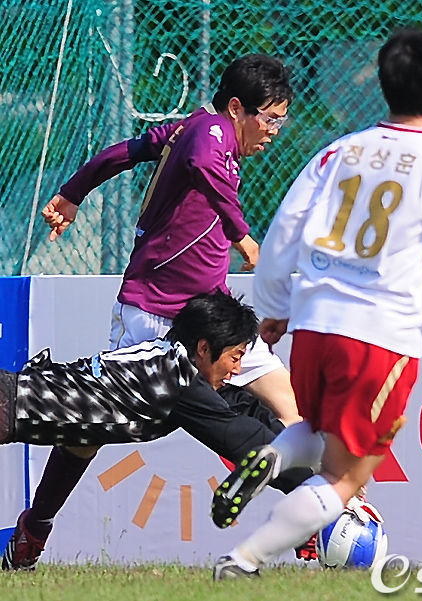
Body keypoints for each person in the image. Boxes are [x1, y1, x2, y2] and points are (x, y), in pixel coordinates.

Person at [210, 28, 422, 579]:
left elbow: (284, 231)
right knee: (345, 476)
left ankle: (270, 457)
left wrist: (275, 307)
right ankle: (243, 559)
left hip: (315, 326)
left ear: (382, 85)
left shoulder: (339, 152)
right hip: (378, 336)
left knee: (317, 431)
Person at [15, 54, 304, 569]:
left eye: (281, 120)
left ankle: (323, 517)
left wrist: (73, 193)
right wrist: (243, 237)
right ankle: (35, 528)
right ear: (237, 108)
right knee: (88, 432)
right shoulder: (209, 133)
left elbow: (124, 152)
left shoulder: (198, 133)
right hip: (153, 314)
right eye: (270, 119)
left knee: (286, 400)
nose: (274, 132)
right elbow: (196, 165)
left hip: (212, 320)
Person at [1, 291, 311, 571]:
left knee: (84, 440)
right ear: (204, 348)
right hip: (8, 405)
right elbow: (244, 440)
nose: (238, 369)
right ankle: (32, 533)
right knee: (84, 438)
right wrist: (314, 494)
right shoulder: (178, 381)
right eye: (236, 357)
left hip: (14, 401)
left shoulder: (177, 366)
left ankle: (32, 533)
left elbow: (244, 409)